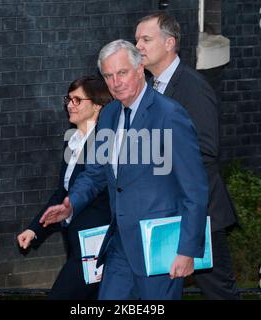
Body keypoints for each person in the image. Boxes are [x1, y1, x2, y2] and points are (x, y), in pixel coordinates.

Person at [39, 40, 209, 300]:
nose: (115, 82)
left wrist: (187, 250)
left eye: (122, 72)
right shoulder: (108, 115)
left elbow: (195, 189)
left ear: (140, 69)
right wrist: (71, 204)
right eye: (108, 75)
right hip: (119, 246)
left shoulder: (169, 115)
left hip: (160, 249)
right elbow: (96, 173)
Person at [135, 12, 240, 299]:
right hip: (164, 213)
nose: (138, 47)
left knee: (218, 291)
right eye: (136, 40)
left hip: (199, 214)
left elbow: (206, 151)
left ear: (169, 43)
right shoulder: (148, 88)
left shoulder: (193, 86)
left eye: (146, 39)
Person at [17, 76, 113, 300]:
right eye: (69, 99)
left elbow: (91, 189)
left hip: (97, 246)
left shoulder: (106, 142)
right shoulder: (73, 141)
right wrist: (35, 229)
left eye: (77, 100)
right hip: (76, 244)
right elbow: (62, 194)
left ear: (98, 104)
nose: (70, 105)